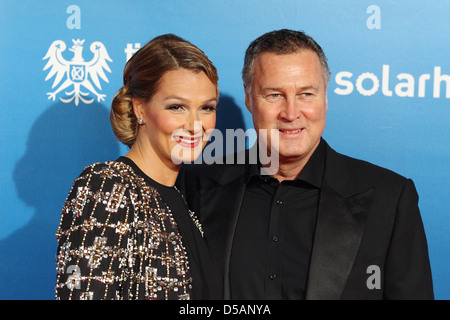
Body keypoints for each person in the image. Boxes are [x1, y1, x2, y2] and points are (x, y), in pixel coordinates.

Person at [178, 29, 434, 300]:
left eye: (306, 94)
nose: (291, 113)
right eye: (274, 95)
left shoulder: (389, 199)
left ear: (325, 99)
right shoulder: (195, 186)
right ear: (249, 99)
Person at [55, 34, 221, 300]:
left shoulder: (184, 196)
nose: (195, 125)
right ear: (140, 108)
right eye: (176, 107)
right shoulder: (108, 186)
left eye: (206, 108)